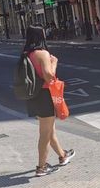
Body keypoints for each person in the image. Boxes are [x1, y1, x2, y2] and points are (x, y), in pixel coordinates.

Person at [22, 26, 75, 177]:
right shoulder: (42, 54)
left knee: (49, 129)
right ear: (41, 36)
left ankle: (63, 155)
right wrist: (54, 63)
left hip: (33, 95)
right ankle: (41, 166)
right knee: (45, 133)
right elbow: (49, 76)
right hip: (45, 95)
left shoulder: (28, 53)